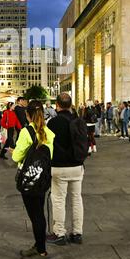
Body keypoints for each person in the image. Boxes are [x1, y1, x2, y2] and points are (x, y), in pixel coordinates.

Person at [12, 100, 55, 259]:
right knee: (40, 213)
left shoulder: (26, 132)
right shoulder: (48, 132)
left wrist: (14, 152)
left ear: (28, 115)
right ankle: (38, 246)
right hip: (43, 179)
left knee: (35, 215)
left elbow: (17, 157)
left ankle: (42, 252)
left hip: (29, 180)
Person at [47, 93, 85, 246]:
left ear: (57, 105)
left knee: (58, 200)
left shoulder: (53, 123)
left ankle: (59, 233)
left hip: (59, 167)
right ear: (71, 105)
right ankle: (77, 233)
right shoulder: (78, 121)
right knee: (77, 199)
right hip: (77, 166)